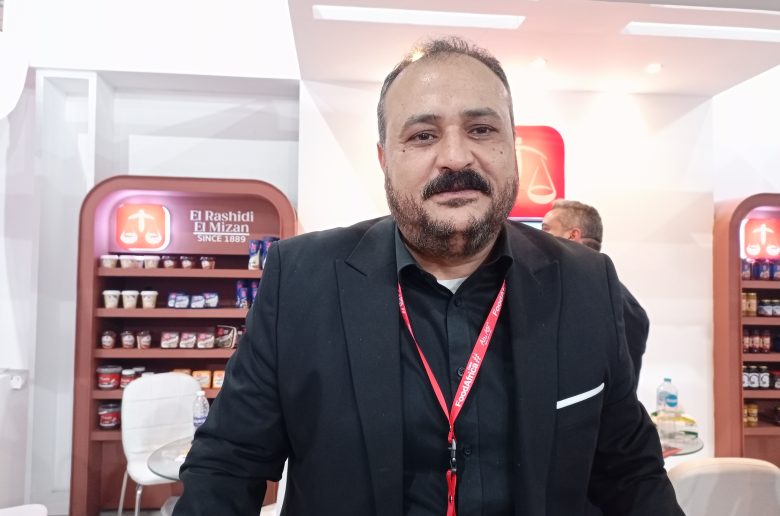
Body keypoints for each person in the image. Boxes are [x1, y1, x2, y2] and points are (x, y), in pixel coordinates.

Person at [175, 37, 682, 515]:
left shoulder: (586, 282)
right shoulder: (302, 280)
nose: (456, 157)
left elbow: (630, 471)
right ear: (384, 160)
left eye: (481, 129)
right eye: (423, 135)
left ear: (512, 146)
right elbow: (227, 466)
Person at [541, 199, 650, 382]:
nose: (538, 238)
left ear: (572, 236)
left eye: (546, 229)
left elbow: (621, 389)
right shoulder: (552, 292)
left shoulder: (624, 309)